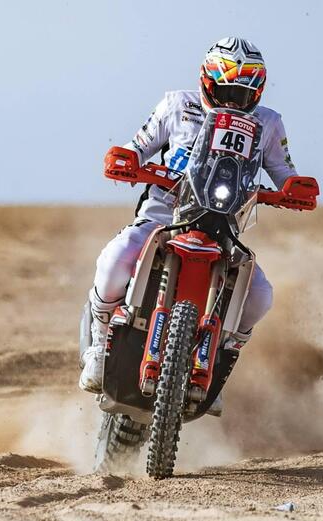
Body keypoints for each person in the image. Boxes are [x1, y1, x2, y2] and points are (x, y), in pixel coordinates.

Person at [79, 37, 299, 395]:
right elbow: (138, 146)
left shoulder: (269, 123)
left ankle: (220, 362)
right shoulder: (176, 104)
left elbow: (284, 170)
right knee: (114, 260)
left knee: (260, 295)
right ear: (207, 82)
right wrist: (126, 159)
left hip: (223, 227)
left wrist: (294, 187)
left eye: (242, 95)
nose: (232, 102)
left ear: (257, 93)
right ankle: (100, 346)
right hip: (163, 215)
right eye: (225, 92)